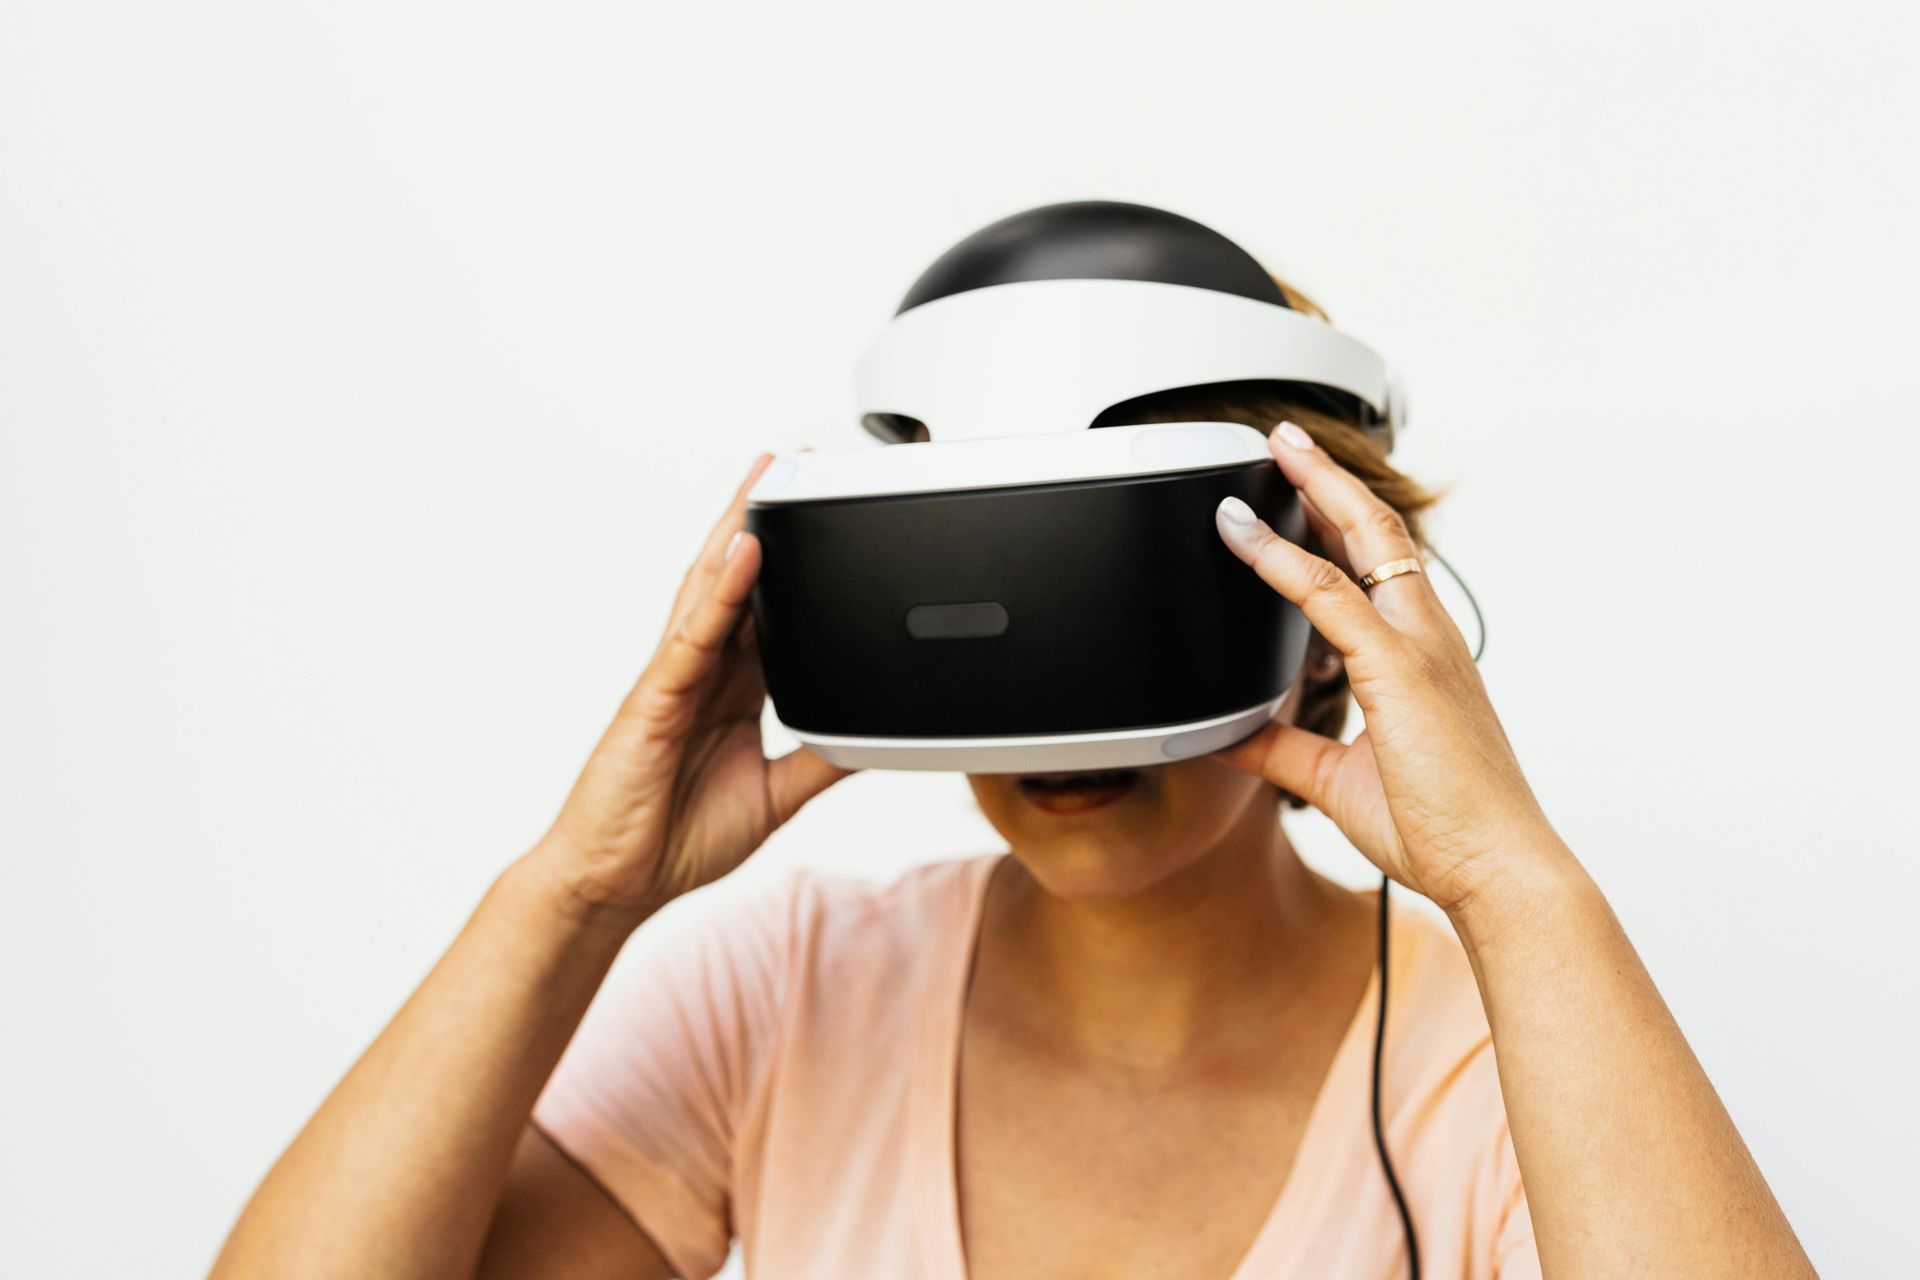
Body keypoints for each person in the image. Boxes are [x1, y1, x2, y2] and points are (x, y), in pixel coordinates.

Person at [208, 236, 1816, 1280]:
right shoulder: (791, 992)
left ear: (1319, 596)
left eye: (1101, 597)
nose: (1061, 712)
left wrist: (1515, 886)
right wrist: (572, 893)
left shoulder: (1489, 1063)